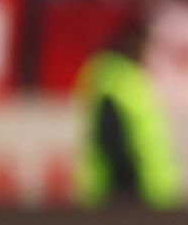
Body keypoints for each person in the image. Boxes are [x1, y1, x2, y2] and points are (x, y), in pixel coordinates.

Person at [74, 15, 180, 209]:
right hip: (129, 196)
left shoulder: (128, 78)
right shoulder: (116, 80)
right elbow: (111, 137)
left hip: (149, 194)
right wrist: (129, 186)